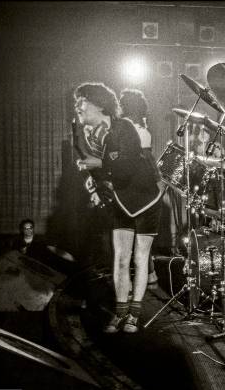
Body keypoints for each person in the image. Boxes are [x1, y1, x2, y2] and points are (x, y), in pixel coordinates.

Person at [74, 82, 161, 334]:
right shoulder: (91, 135)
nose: (77, 107)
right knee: (121, 258)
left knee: (140, 257)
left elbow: (129, 164)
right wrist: (95, 186)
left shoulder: (125, 127)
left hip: (146, 200)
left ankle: (134, 314)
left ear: (100, 105)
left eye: (82, 102)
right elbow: (103, 172)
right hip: (121, 200)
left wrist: (99, 163)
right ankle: (119, 312)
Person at [119, 88, 162, 289]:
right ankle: (150, 276)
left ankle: (129, 285)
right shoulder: (143, 132)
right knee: (142, 237)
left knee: (127, 237)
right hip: (143, 189)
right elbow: (150, 165)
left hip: (128, 189)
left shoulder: (120, 130)